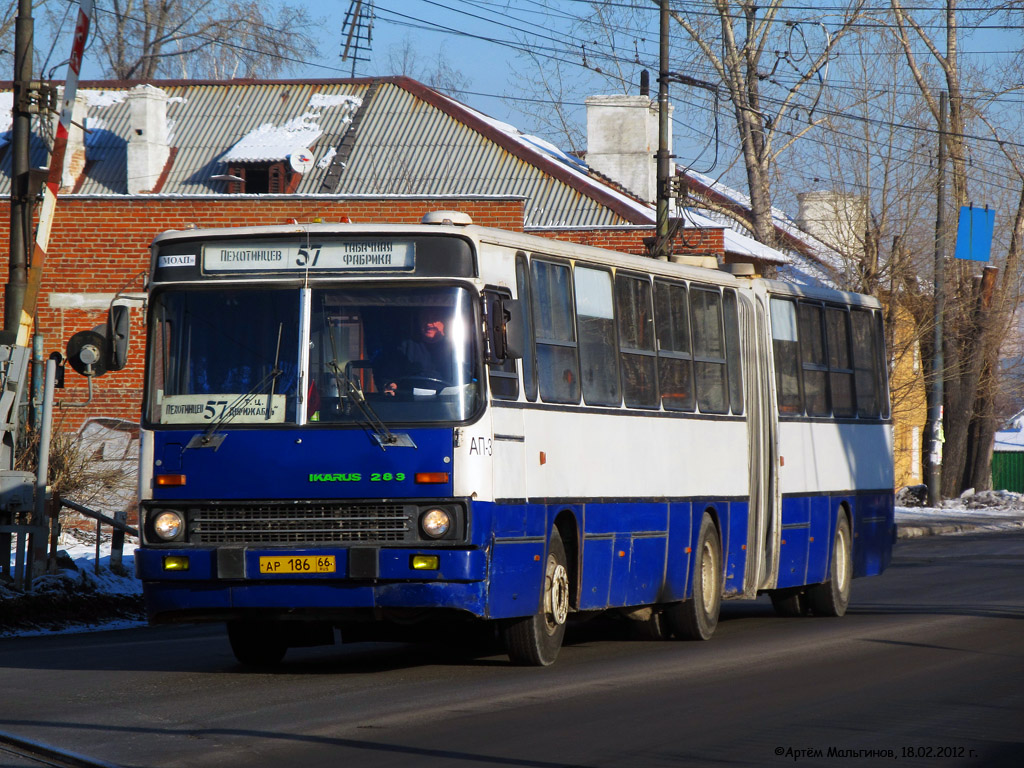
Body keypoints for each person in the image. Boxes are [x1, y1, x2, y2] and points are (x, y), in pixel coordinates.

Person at [378, 307, 461, 396]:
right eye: (425, 318)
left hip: (448, 402)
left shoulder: (456, 349)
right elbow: (390, 375)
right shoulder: (406, 346)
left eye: (434, 318)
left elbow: (463, 379)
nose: (429, 323)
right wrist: (391, 385)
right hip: (409, 402)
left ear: (444, 322)